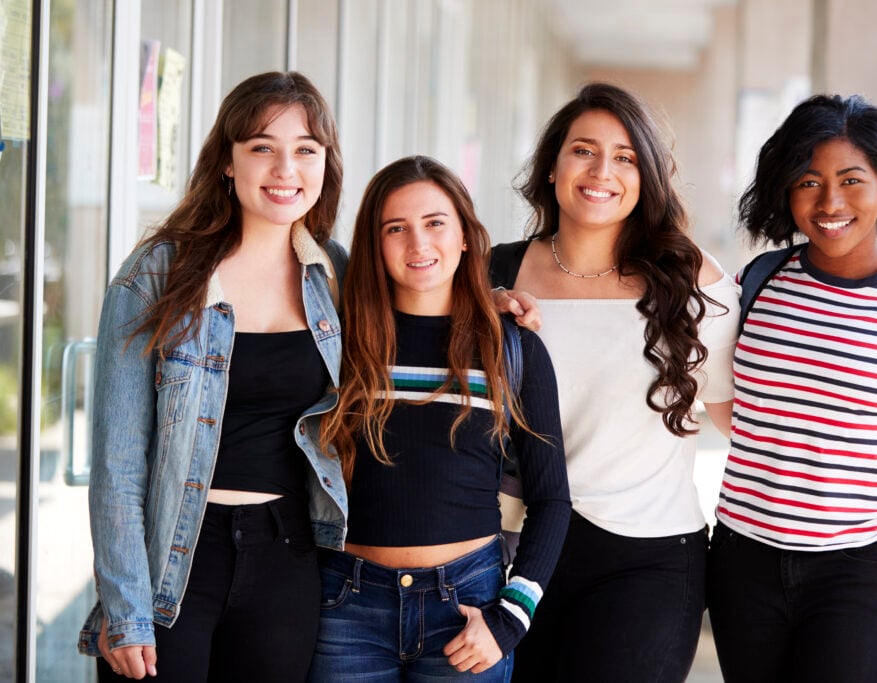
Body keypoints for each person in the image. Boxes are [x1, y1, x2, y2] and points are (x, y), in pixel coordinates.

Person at [73, 71, 349, 681]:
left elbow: (427, 300)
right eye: (262, 148)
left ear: (325, 164)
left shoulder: (334, 274)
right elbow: (118, 462)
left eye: (306, 150)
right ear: (227, 161)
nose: (286, 169)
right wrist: (125, 609)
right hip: (174, 561)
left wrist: (493, 301)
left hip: (286, 555)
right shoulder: (159, 273)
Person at [706, 94, 877, 683]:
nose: (829, 202)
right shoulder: (754, 285)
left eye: (851, 179)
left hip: (862, 574)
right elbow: (721, 401)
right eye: (808, 181)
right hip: (742, 562)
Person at [490, 82, 739, 682]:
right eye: (583, 150)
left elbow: (740, 422)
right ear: (552, 166)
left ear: (646, 177)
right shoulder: (492, 272)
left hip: (648, 557)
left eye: (625, 157)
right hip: (511, 551)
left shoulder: (690, 279)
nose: (602, 170)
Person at [308, 155, 571, 682]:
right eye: (395, 229)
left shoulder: (511, 348)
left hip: (468, 605)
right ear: (374, 246)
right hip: (345, 608)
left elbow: (553, 500)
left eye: (434, 223)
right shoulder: (337, 342)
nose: (418, 244)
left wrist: (509, 621)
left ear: (467, 236)